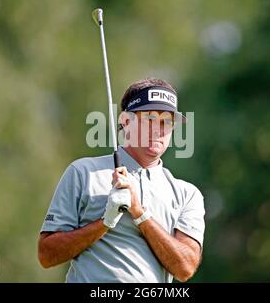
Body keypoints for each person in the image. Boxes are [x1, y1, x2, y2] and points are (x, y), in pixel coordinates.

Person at [38, 78, 205, 283]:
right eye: (150, 119)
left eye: (167, 122)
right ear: (126, 121)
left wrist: (140, 214)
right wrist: (104, 223)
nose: (158, 129)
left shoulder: (187, 194)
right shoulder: (83, 172)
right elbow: (47, 255)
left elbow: (185, 268)